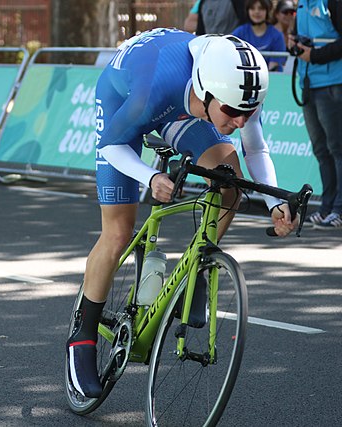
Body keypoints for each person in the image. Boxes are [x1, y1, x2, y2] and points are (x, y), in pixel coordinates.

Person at [66, 28, 297, 398]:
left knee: (230, 184)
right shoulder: (155, 90)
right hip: (124, 95)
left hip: (181, 107)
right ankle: (82, 338)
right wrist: (151, 175)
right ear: (206, 92)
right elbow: (112, 145)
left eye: (247, 112)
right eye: (233, 113)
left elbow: (255, 149)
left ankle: (197, 270)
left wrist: (275, 202)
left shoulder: (239, 87)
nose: (240, 121)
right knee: (118, 233)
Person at [291, 0, 342, 229]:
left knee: (337, 149)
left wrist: (315, 55)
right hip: (308, 84)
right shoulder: (301, 4)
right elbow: (298, 38)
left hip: (333, 83)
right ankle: (327, 207)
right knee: (321, 150)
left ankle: (339, 209)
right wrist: (293, 44)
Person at [232, 0, 286, 71]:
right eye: (252, 8)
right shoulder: (239, 33)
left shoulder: (277, 36)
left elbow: (274, 66)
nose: (256, 12)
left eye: (261, 8)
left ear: (267, 11)